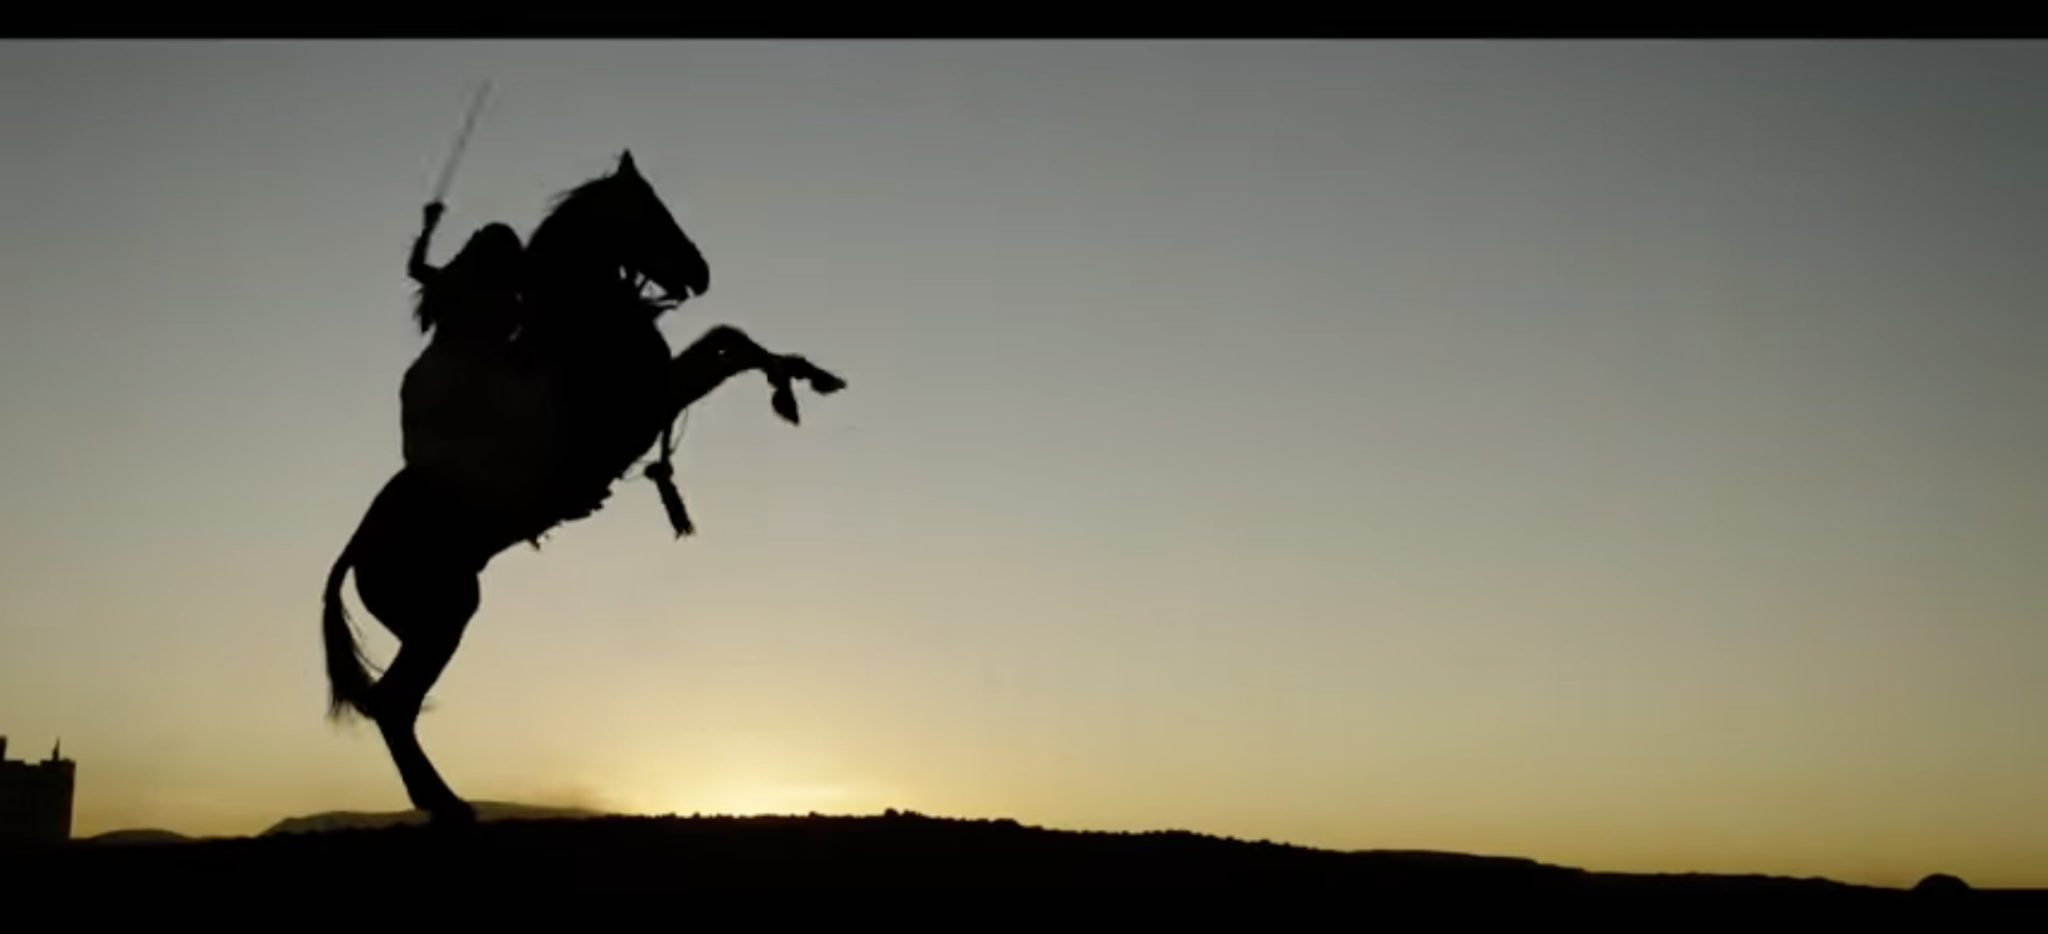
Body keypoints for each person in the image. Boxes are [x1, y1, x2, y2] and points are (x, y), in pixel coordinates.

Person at [398, 202, 562, 522]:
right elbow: (418, 269)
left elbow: (417, 268)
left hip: (444, 369)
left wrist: (429, 227)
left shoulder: (462, 280)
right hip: (464, 370)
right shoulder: (493, 288)